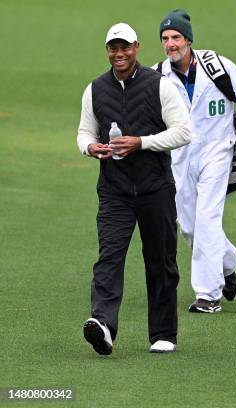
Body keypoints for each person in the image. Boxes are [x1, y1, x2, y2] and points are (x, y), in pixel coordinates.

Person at [77, 23, 192, 355]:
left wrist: (142, 142)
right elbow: (84, 132)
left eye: (124, 47)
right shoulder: (95, 89)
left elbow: (183, 132)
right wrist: (90, 148)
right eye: (113, 48)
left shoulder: (160, 86)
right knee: (109, 258)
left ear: (137, 47)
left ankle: (163, 333)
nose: (119, 53)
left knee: (161, 261)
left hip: (156, 188)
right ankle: (103, 324)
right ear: (107, 51)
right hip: (114, 190)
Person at [157, 10, 236, 313]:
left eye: (176, 37)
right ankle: (228, 266)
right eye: (165, 38)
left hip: (217, 151)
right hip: (178, 157)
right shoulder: (157, 75)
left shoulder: (217, 66)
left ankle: (208, 296)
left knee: (208, 219)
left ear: (189, 40)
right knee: (189, 227)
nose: (170, 44)